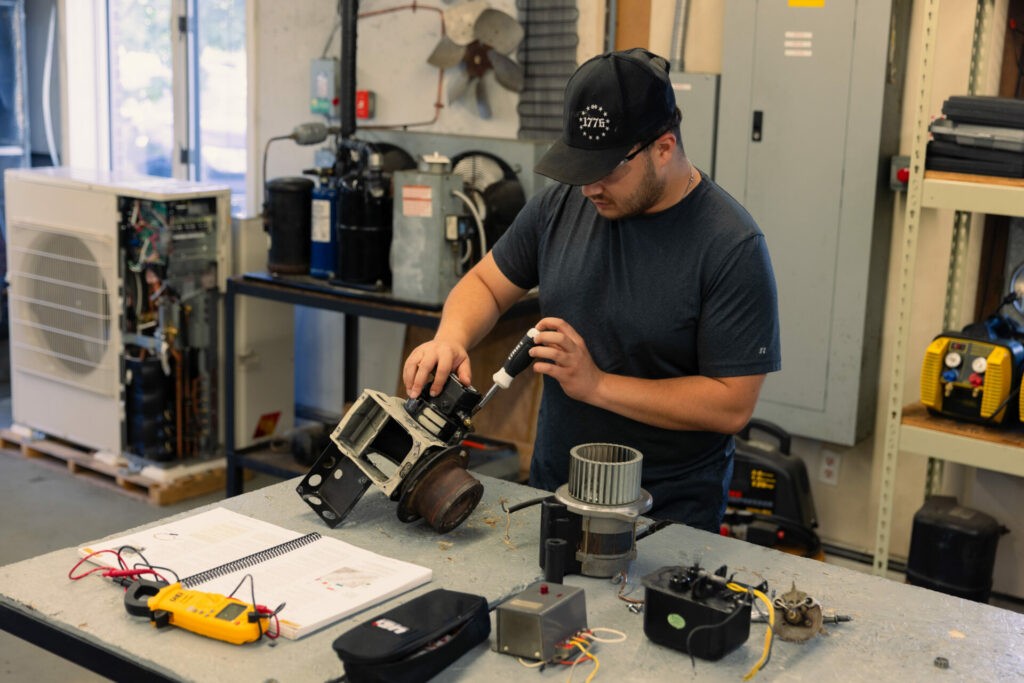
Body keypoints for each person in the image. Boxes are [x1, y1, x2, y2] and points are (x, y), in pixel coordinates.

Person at [403, 48, 781, 532]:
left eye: (606, 172)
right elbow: (486, 283)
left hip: (665, 516)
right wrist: (450, 338)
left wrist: (597, 385)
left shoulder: (731, 245)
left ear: (663, 149)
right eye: (580, 170)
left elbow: (732, 403)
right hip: (555, 493)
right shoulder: (561, 205)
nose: (588, 189)